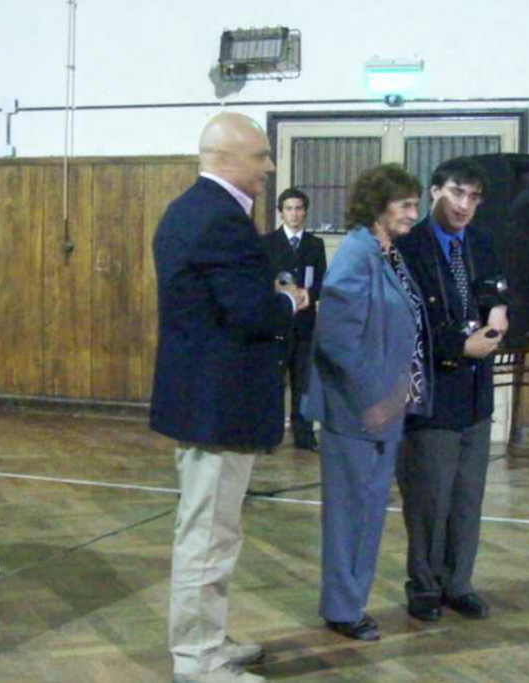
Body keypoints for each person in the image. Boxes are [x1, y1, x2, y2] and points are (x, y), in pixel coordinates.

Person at [150, 112, 309, 683]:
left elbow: (221, 302)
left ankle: (209, 644)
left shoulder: (191, 210)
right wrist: (291, 301)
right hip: (216, 406)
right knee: (207, 539)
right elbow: (250, 312)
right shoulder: (219, 218)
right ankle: (197, 661)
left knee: (212, 534)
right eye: (262, 155)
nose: (269, 167)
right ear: (227, 157)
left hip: (207, 401)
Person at [301, 164, 431, 642]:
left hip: (384, 408)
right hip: (358, 412)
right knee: (351, 515)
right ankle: (342, 608)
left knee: (368, 511)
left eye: (417, 204)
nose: (414, 215)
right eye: (406, 205)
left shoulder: (386, 253)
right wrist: (374, 398)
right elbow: (335, 340)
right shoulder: (356, 253)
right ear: (379, 206)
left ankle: (350, 601)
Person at [394, 156, 508, 623]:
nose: (466, 205)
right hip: (433, 396)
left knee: (467, 498)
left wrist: (500, 308)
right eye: (458, 193)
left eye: (474, 197)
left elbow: (496, 289)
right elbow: (406, 326)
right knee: (429, 500)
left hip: (476, 395)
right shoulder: (409, 246)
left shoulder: (482, 240)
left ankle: (458, 583)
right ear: (435, 190)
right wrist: (460, 345)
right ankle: (424, 588)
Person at [262, 188, 327, 451]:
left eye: (299, 208)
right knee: (274, 381)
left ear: (305, 212)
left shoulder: (315, 244)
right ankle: (269, 435)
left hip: (305, 323)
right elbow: (262, 279)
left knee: (303, 381)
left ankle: (304, 435)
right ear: (281, 212)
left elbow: (322, 280)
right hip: (277, 323)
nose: (294, 214)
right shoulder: (267, 243)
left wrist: (308, 295)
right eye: (289, 208)